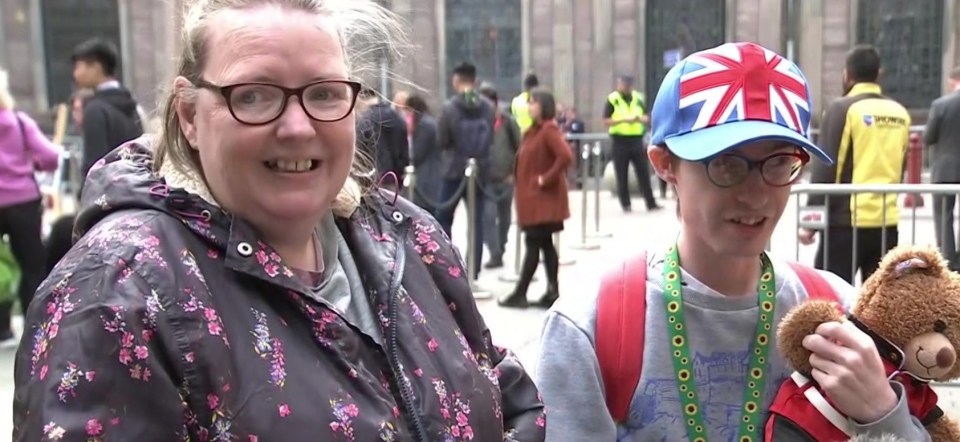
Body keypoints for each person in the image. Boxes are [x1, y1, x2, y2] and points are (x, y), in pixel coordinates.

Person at [13, 1, 546, 440]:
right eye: (254, 96)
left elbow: (506, 399)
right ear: (189, 115)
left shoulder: (409, 238)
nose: (297, 127)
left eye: (324, 94)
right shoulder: (115, 295)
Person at [535, 42, 931, 441]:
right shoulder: (591, 329)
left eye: (778, 162)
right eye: (725, 162)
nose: (756, 194)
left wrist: (882, 412)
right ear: (664, 164)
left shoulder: (841, 316)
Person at [800, 45, 910, 284]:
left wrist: (809, 222)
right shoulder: (900, 112)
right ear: (878, 74)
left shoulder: (843, 108)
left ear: (846, 74)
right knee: (878, 306)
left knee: (831, 298)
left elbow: (827, 165)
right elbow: (900, 164)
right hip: (886, 222)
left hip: (845, 223)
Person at [0, 68, 61, 343]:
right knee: (31, 265)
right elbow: (50, 157)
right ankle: (33, 327)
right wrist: (33, 164)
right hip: (23, 202)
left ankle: (2, 328)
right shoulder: (20, 123)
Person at [498, 89, 571, 309]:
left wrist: (544, 180)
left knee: (534, 245)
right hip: (535, 201)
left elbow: (565, 156)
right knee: (545, 245)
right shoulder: (533, 131)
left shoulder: (548, 130)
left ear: (543, 106)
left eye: (533, 102)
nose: (529, 106)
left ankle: (521, 292)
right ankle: (552, 290)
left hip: (543, 201)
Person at [436, 62, 495, 280]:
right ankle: (474, 269)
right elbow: (490, 139)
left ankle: (445, 266)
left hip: (453, 170)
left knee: (443, 218)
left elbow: (442, 139)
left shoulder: (450, 107)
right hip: (479, 170)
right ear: (475, 80)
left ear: (457, 79)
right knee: (476, 222)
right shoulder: (488, 106)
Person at [72, 38, 144, 178]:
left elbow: (95, 166)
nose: (75, 74)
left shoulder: (95, 110)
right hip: (134, 187)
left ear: (95, 67)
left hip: (107, 194)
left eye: (78, 67)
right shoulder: (130, 104)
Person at [478, 82, 521, 269]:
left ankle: (501, 248)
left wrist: (514, 172)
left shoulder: (507, 121)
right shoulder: (478, 123)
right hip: (485, 180)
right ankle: (495, 253)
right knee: (488, 218)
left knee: (504, 217)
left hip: (506, 178)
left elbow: (519, 148)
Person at [603, 75, 660, 213]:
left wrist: (639, 119)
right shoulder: (612, 99)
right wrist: (624, 120)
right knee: (621, 173)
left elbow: (647, 117)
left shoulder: (638, 98)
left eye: (627, 85)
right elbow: (606, 120)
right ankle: (626, 204)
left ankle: (650, 202)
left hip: (636, 140)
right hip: (619, 140)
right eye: (622, 84)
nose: (625, 87)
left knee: (643, 172)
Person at [924, 66, 960, 270]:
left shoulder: (941, 105)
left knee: (944, 216)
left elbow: (929, 137)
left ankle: (948, 262)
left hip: (946, 169)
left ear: (952, 81)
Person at [357, 88, 410, 183]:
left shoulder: (365, 119)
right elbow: (404, 148)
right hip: (395, 176)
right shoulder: (396, 116)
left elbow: (362, 148)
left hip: (374, 176)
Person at [406, 93, 442, 216]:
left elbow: (417, 153)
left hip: (426, 178)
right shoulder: (430, 121)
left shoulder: (424, 125)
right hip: (432, 174)